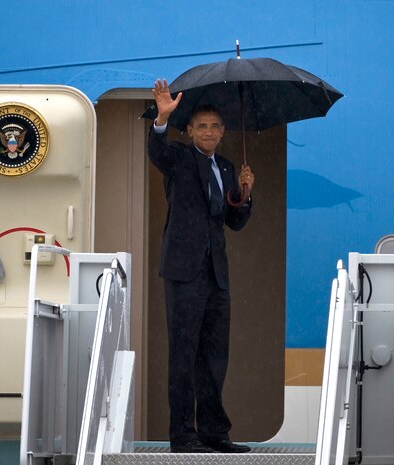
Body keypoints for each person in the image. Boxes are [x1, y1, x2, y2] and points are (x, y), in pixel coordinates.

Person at [148, 79, 255, 454]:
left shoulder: (226, 168)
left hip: (216, 276)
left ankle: (213, 432)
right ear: (190, 130)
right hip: (183, 271)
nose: (208, 132)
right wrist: (162, 119)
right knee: (183, 354)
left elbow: (234, 222)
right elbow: (156, 152)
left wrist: (245, 193)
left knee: (213, 357)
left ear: (223, 132)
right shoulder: (177, 158)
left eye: (215, 126)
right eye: (201, 126)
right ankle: (183, 435)